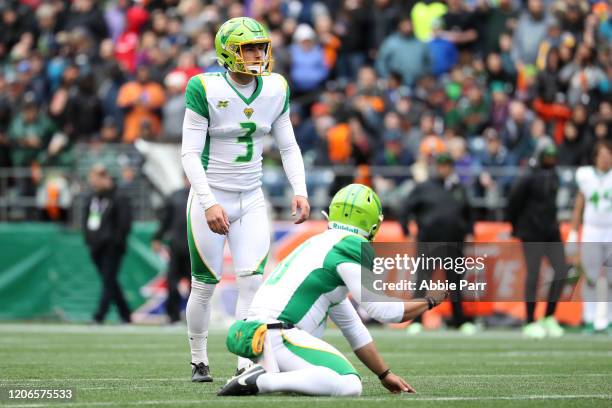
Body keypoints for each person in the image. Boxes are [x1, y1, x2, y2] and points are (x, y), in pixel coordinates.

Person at [217, 184, 447, 397]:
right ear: (373, 224)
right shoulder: (351, 245)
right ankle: (263, 381)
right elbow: (383, 311)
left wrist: (384, 374)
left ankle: (262, 374)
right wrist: (430, 300)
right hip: (279, 335)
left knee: (316, 383)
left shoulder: (322, 243)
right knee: (349, 384)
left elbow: (353, 327)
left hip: (257, 337)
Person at [181, 17, 310, 382]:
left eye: (260, 46)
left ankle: (243, 361)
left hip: (251, 196)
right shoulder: (203, 87)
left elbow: (288, 145)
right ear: (227, 51)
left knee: (251, 282)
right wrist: (208, 202)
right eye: (248, 47)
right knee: (204, 285)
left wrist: (299, 188)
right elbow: (189, 153)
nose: (257, 54)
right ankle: (199, 359)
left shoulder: (275, 88)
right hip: (212, 193)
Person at [399, 153, 475, 335]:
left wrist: (469, 231)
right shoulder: (424, 187)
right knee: (422, 281)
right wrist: (405, 229)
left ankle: (459, 321)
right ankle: (416, 320)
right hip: (428, 241)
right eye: (441, 165)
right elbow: (405, 207)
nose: (444, 169)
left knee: (455, 282)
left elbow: (469, 212)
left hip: (453, 242)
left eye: (447, 165)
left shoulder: (458, 188)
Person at [506, 144, 569, 338]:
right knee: (534, 273)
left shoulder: (554, 175)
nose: (550, 161)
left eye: (553, 157)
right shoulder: (528, 176)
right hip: (531, 231)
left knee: (562, 270)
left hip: (551, 230)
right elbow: (513, 201)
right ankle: (530, 320)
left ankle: (549, 316)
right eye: (547, 157)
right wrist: (516, 227)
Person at [569, 141, 612, 333]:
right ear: (595, 157)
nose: (606, 158)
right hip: (592, 229)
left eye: (608, 154)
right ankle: (590, 317)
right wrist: (573, 231)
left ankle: (609, 319)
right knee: (590, 276)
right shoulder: (585, 176)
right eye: (603, 155)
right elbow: (579, 205)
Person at [82, 164, 133, 324]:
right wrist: (89, 239)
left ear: (106, 178)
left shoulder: (119, 197)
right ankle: (125, 314)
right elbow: (86, 220)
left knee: (108, 280)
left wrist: (116, 241)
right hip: (96, 247)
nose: (94, 184)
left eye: (97, 180)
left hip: (112, 247)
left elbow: (124, 222)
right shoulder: (93, 198)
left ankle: (99, 315)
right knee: (109, 281)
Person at [152, 178, 190, 324]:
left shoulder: (203, 196)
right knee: (172, 283)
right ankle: (173, 315)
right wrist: (157, 237)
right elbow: (165, 220)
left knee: (196, 287)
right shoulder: (175, 196)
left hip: (196, 249)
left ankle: (193, 317)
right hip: (177, 247)